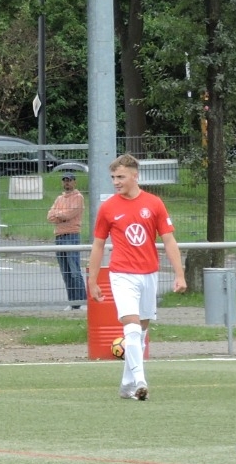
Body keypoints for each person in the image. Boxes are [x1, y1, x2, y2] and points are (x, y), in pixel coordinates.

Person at [86, 153, 187, 401]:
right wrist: (92, 280)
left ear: (135, 176)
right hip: (122, 275)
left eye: (120, 177)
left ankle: (126, 385)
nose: (116, 182)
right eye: (113, 177)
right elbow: (98, 245)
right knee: (130, 327)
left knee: (140, 332)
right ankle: (141, 381)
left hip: (148, 274)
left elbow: (169, 240)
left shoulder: (154, 203)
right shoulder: (108, 208)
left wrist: (179, 274)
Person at [47, 172, 87, 308]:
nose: (67, 183)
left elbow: (70, 214)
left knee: (74, 270)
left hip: (71, 235)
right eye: (65, 180)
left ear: (74, 182)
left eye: (69, 180)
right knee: (65, 272)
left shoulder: (78, 197)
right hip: (59, 236)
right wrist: (61, 216)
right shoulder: (59, 198)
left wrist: (58, 215)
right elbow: (50, 216)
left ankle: (82, 302)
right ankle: (72, 303)